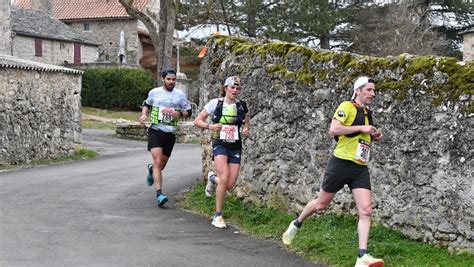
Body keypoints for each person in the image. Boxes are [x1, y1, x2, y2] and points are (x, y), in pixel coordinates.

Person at [282, 77, 384, 267]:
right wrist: (363, 127)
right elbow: (334, 129)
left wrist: (374, 136)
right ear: (358, 90)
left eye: (373, 90)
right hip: (340, 164)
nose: (373, 93)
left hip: (360, 167)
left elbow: (361, 135)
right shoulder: (347, 105)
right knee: (321, 205)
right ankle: (296, 223)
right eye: (369, 90)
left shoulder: (367, 111)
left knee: (366, 210)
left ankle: (362, 256)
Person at [194, 76, 250, 228]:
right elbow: (197, 120)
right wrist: (210, 127)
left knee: (230, 185)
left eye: (238, 88)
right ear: (225, 88)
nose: (235, 90)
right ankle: (218, 215)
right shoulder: (215, 103)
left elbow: (246, 121)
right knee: (224, 177)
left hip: (235, 146)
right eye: (232, 87)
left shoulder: (241, 105)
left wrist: (246, 129)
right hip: (220, 144)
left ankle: (212, 179)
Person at [139, 67, 192, 207]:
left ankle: (152, 170)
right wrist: (144, 114)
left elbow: (189, 111)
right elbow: (146, 104)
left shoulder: (180, 95)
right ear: (163, 79)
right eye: (168, 79)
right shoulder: (154, 92)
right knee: (157, 161)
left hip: (170, 133)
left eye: (173, 79)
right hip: (156, 130)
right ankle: (159, 194)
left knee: (161, 166)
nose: (171, 82)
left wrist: (180, 114)